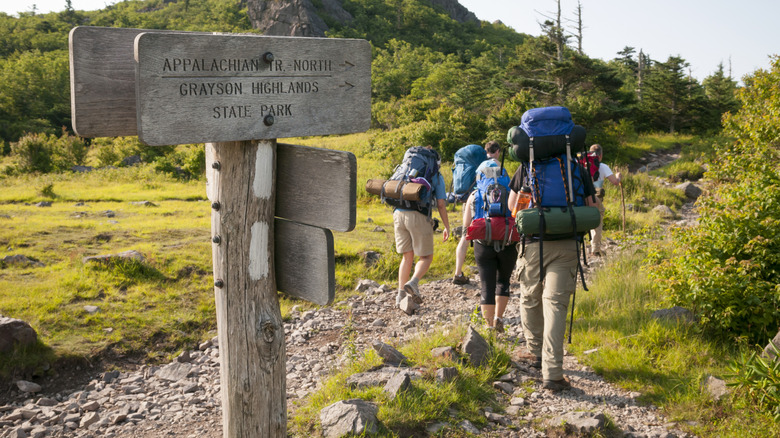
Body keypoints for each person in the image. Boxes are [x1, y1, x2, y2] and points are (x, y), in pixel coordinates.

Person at [508, 157, 597, 391]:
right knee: (555, 305)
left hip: (533, 245)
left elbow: (512, 207)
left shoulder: (527, 168)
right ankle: (554, 373)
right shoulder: (576, 168)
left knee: (529, 297)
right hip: (567, 244)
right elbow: (593, 207)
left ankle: (535, 352)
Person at [461, 163, 518, 332]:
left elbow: (466, 226)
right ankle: (499, 317)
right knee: (503, 281)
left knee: (487, 285)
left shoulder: (474, 195)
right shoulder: (510, 193)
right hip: (508, 242)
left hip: (483, 245)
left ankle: (489, 326)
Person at [394, 146, 450, 309]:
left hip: (398, 213)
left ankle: (400, 297)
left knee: (407, 256)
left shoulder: (406, 168)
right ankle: (414, 282)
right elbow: (440, 203)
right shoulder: (435, 175)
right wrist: (446, 226)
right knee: (426, 257)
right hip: (418, 215)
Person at [452, 140, 502, 285]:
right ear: (497, 151)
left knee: (465, 236)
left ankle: (458, 273)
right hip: (485, 204)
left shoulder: (477, 163)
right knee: (491, 235)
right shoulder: (494, 165)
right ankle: (492, 272)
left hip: (469, 199)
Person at [587, 144, 622, 257]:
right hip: (595, 197)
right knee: (597, 221)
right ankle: (595, 250)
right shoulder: (603, 166)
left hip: (581, 195)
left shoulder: (583, 165)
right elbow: (615, 182)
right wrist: (619, 176)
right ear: (600, 155)